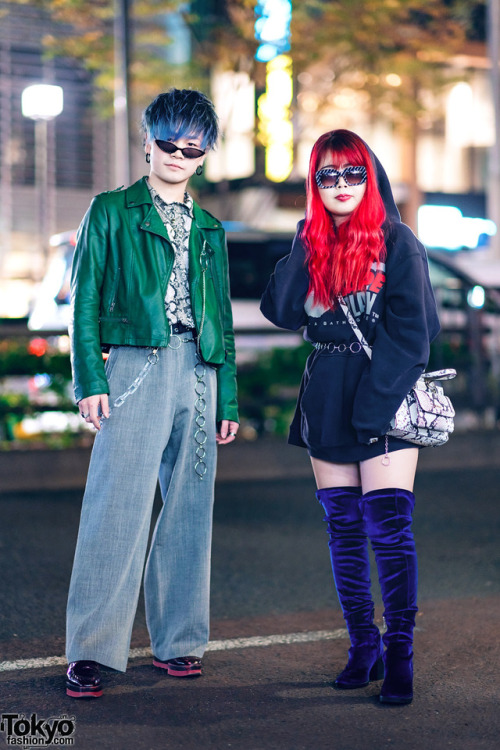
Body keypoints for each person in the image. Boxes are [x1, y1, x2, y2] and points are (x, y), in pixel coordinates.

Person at [65, 88, 239, 698]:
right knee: (117, 506)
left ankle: (181, 641)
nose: (176, 154)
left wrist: (230, 400)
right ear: (147, 141)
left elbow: (222, 316)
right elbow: (84, 298)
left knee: (192, 510)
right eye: (166, 142)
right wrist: (89, 379)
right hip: (136, 363)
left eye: (191, 148)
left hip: (200, 368)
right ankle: (91, 651)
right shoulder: (111, 210)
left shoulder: (211, 227)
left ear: (204, 156)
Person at [260, 129, 440, 705]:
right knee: (342, 531)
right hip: (326, 397)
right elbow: (281, 311)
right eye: (327, 176)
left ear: (370, 176)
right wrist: (304, 237)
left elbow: (415, 336)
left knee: (389, 531)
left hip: (382, 399)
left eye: (351, 174)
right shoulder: (311, 241)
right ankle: (364, 644)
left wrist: (373, 409)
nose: (340, 186)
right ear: (315, 185)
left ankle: (400, 654)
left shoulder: (397, 240)